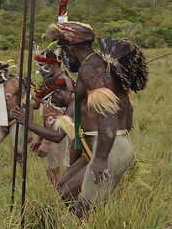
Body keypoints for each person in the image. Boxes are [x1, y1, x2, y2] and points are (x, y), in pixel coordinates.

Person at [44, 21, 147, 214]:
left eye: (62, 52)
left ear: (69, 48)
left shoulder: (91, 69)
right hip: (105, 145)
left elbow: (107, 113)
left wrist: (101, 158)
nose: (63, 59)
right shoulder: (103, 67)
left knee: (86, 209)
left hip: (107, 149)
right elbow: (129, 112)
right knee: (65, 191)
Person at [29, 50, 75, 186]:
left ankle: (63, 203)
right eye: (38, 65)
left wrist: (47, 142)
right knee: (51, 171)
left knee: (54, 171)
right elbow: (44, 107)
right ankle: (61, 201)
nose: (39, 69)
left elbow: (62, 116)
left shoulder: (65, 83)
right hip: (52, 132)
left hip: (61, 133)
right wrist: (39, 138)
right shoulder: (49, 82)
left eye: (43, 65)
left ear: (54, 64)